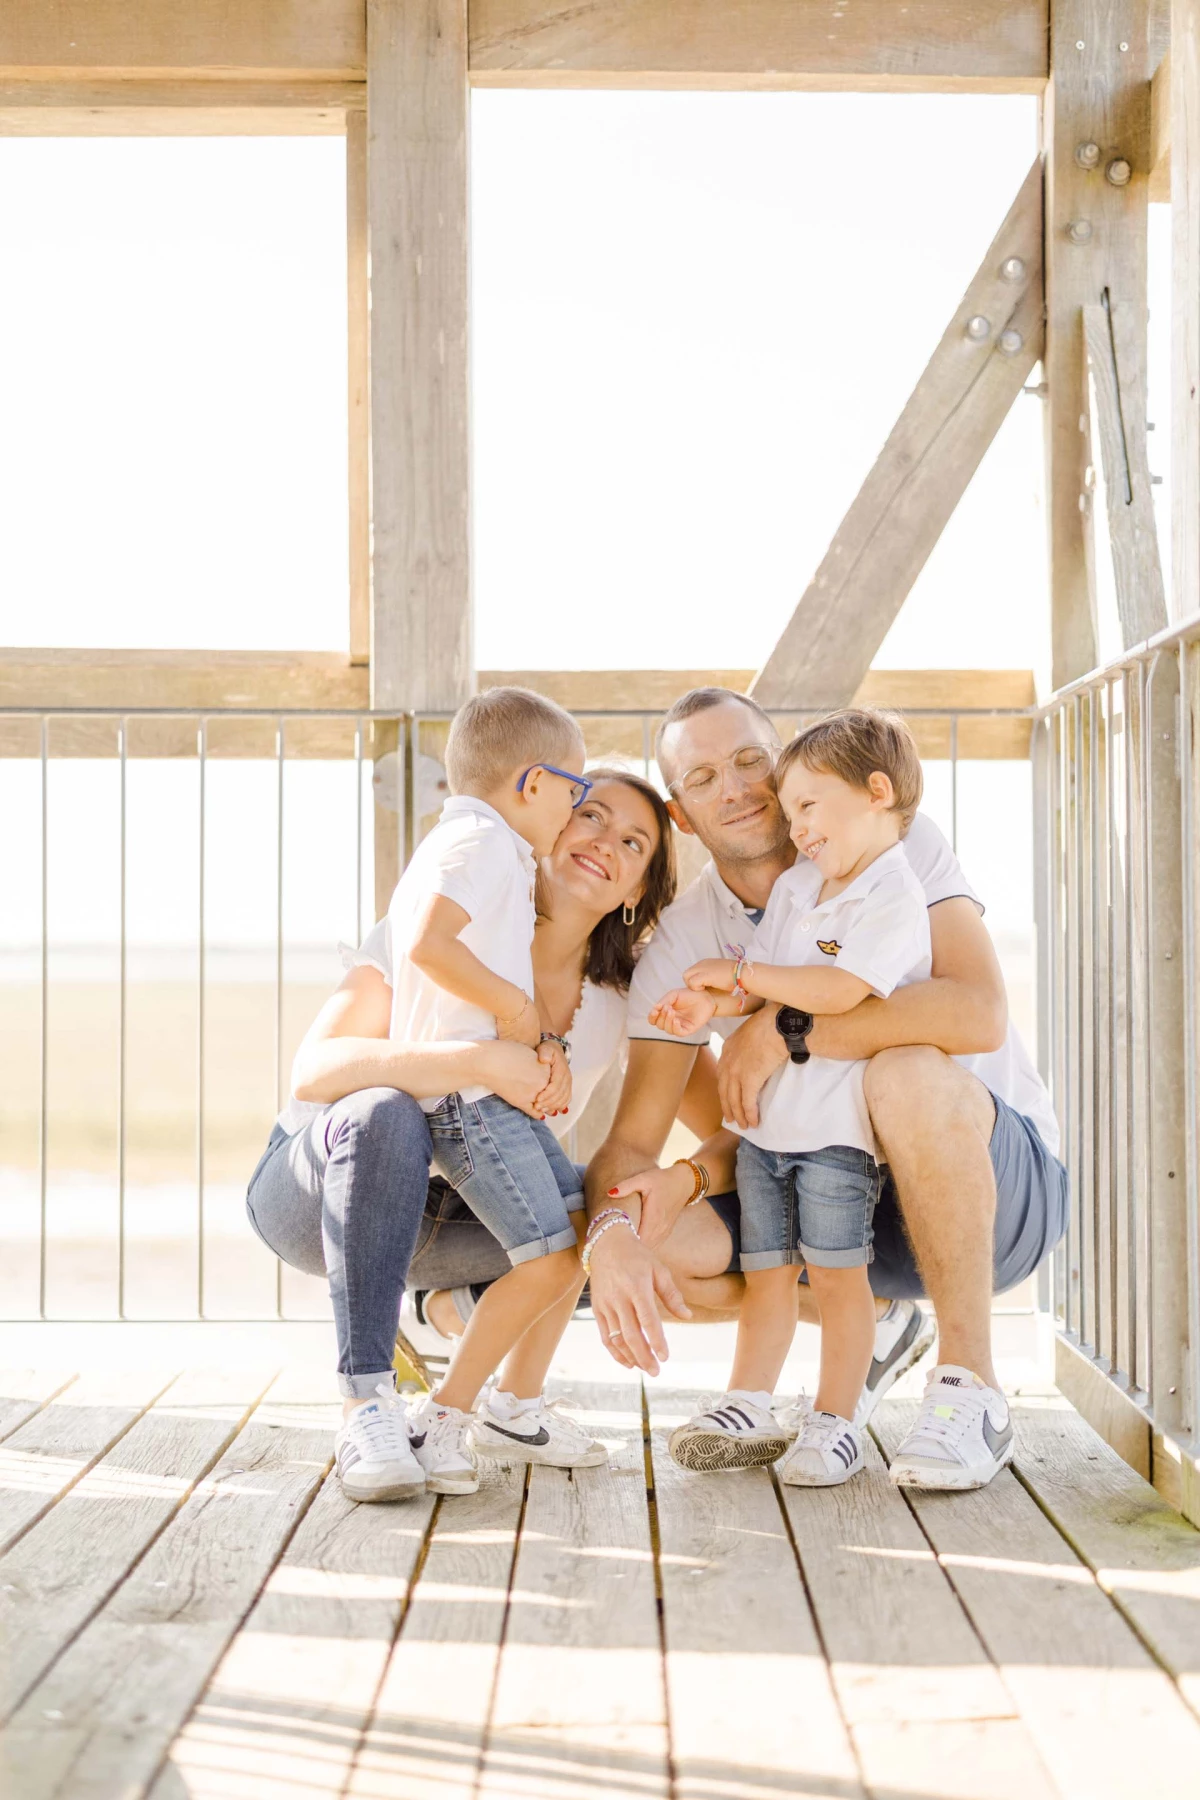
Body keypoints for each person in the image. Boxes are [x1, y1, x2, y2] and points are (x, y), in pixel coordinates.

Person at [586, 687, 1067, 1492]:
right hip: (825, 1195)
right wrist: (609, 1239)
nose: (736, 788)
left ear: (781, 765)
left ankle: (969, 1388)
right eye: (703, 779)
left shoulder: (895, 845)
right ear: (681, 814)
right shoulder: (684, 936)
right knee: (642, 1235)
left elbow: (977, 1013)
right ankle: (853, 1341)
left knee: (906, 1071)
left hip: (994, 1195)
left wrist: (779, 1030)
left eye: (749, 761)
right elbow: (632, 1142)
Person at [245, 762, 682, 1503]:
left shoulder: (617, 1001)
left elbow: (715, 1115)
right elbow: (316, 1074)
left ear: (637, 891)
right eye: (593, 815)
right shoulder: (441, 927)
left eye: (635, 844)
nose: (607, 842)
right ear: (545, 821)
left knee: (600, 1219)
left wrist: (674, 1186)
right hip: (323, 1191)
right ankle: (368, 1406)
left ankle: (508, 1401)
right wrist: (479, 1059)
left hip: (456, 1219)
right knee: (383, 1110)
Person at [650, 710, 933, 1487]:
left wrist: (742, 980)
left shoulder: (894, 894)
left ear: (877, 794)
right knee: (770, 1272)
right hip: (769, 1137)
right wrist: (712, 1004)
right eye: (794, 807)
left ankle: (836, 1420)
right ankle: (747, 1400)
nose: (795, 825)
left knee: (839, 1280)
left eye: (809, 806)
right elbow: (769, 983)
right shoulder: (802, 886)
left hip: (838, 1138)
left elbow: (838, 988)